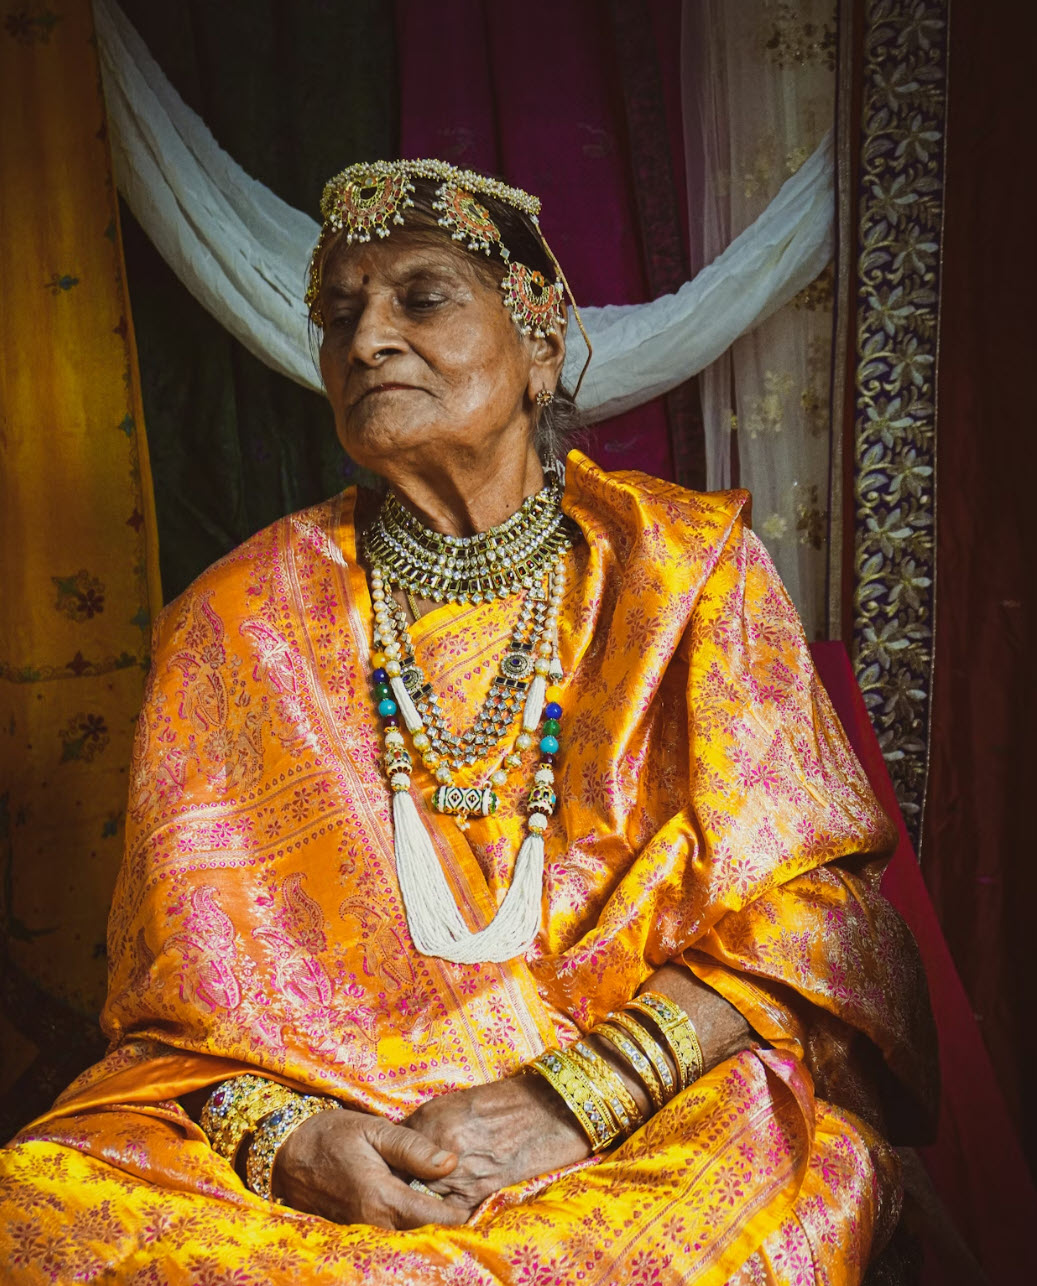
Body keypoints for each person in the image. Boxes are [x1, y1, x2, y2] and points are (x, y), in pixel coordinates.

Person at [0, 159, 935, 1285]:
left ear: (540, 344)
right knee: (38, 1213)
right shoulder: (239, 617)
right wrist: (293, 1139)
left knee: (735, 1201)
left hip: (640, 1112)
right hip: (332, 1120)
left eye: (422, 296)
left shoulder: (682, 571)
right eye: (338, 315)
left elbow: (818, 915)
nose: (367, 340)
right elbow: (175, 1012)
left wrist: (573, 1097)